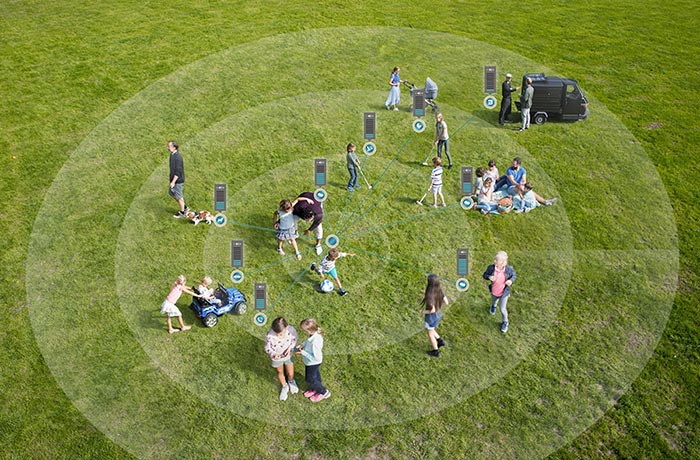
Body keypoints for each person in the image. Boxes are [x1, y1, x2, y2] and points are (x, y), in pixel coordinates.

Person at [264, 317, 300, 401]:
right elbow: (267, 347)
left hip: (288, 355)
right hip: (276, 358)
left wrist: (290, 348)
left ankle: (291, 381)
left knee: (290, 372)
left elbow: (295, 339)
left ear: (286, 327)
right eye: (278, 334)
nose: (280, 336)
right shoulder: (270, 335)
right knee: (280, 372)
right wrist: (273, 353)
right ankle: (284, 386)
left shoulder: (291, 330)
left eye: (282, 333)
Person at [295, 318, 330, 402]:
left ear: (309, 331)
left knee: (310, 379)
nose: (303, 332)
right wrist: (302, 345)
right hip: (311, 362)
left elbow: (316, 357)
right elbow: (308, 341)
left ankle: (323, 392)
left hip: (313, 363)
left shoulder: (315, 343)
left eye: (304, 330)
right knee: (315, 376)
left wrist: (303, 352)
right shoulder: (313, 335)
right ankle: (316, 388)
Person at [482, 251, 517, 333]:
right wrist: (489, 277)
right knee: (494, 301)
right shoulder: (491, 268)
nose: (494, 262)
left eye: (496, 261)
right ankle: (493, 306)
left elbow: (514, 275)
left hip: (504, 293)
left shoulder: (509, 269)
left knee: (502, 309)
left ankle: (505, 322)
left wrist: (510, 281)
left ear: (503, 263)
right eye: (494, 260)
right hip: (494, 290)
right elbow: (484, 275)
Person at [418, 274, 448, 358]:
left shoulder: (430, 295)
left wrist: (422, 311)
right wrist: (439, 305)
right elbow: (446, 302)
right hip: (438, 315)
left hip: (431, 318)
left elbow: (432, 310)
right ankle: (440, 340)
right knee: (432, 328)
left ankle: (436, 351)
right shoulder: (440, 291)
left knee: (430, 333)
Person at [168, 141, 190, 218]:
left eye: (169, 146)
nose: (168, 148)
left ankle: (182, 212)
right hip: (173, 180)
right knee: (171, 193)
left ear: (174, 148)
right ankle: (185, 207)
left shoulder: (178, 158)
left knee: (179, 197)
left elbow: (178, 172)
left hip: (178, 181)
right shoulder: (172, 155)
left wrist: (173, 182)